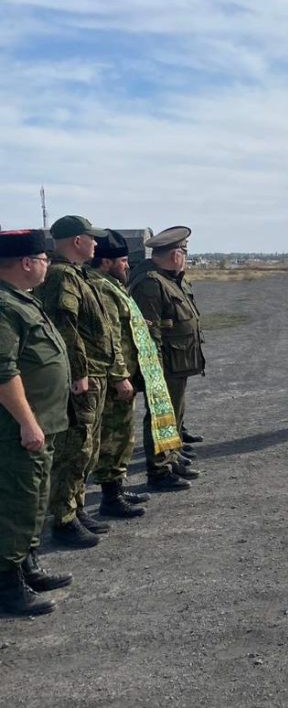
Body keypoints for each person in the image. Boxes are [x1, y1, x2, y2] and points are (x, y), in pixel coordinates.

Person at [34, 215, 126, 547]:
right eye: (91, 238)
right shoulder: (61, 276)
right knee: (75, 448)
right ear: (76, 241)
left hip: (96, 374)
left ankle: (76, 507)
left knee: (88, 446)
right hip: (83, 379)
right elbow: (65, 327)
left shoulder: (76, 274)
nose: (95, 244)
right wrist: (79, 372)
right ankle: (63, 519)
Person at [0, 230, 74, 616]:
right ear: (27, 262)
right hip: (16, 429)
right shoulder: (3, 305)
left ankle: (26, 566)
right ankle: (6, 586)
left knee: (33, 500)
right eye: (44, 258)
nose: (48, 264)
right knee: (17, 502)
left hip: (40, 423)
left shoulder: (20, 301)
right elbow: (2, 371)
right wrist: (28, 422)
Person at [129, 226, 205, 487]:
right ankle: (159, 470)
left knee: (174, 414)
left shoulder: (168, 278)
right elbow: (149, 332)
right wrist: (155, 372)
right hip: (165, 364)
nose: (185, 257)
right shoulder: (150, 283)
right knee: (161, 415)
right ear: (175, 255)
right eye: (184, 252)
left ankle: (171, 457)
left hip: (177, 362)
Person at [88, 231, 149, 517]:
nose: (127, 266)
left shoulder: (112, 285)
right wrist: (119, 376)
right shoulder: (102, 289)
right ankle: (110, 498)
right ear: (106, 262)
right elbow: (109, 337)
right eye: (122, 261)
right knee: (113, 438)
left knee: (124, 436)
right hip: (115, 377)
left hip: (124, 373)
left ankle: (117, 488)